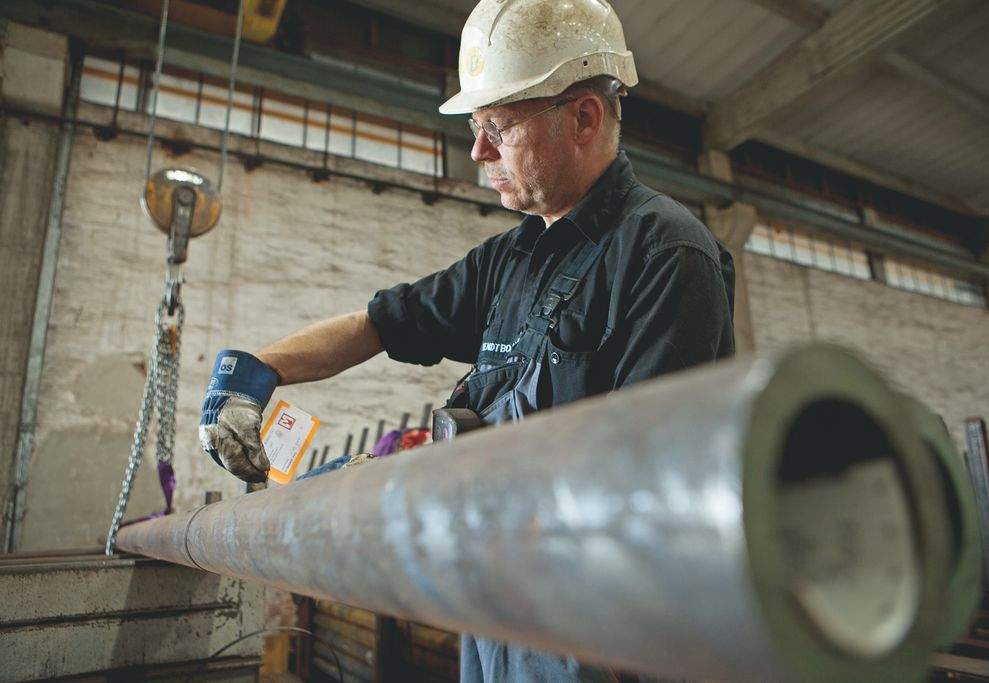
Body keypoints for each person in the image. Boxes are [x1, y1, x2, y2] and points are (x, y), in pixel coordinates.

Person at [199, 0, 735, 680]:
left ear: (584, 118)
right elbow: (378, 323)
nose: (477, 151)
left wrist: (415, 490)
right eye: (477, 128)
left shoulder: (667, 254)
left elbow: (640, 484)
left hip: (601, 629)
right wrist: (254, 372)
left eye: (497, 128)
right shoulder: (511, 260)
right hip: (496, 605)